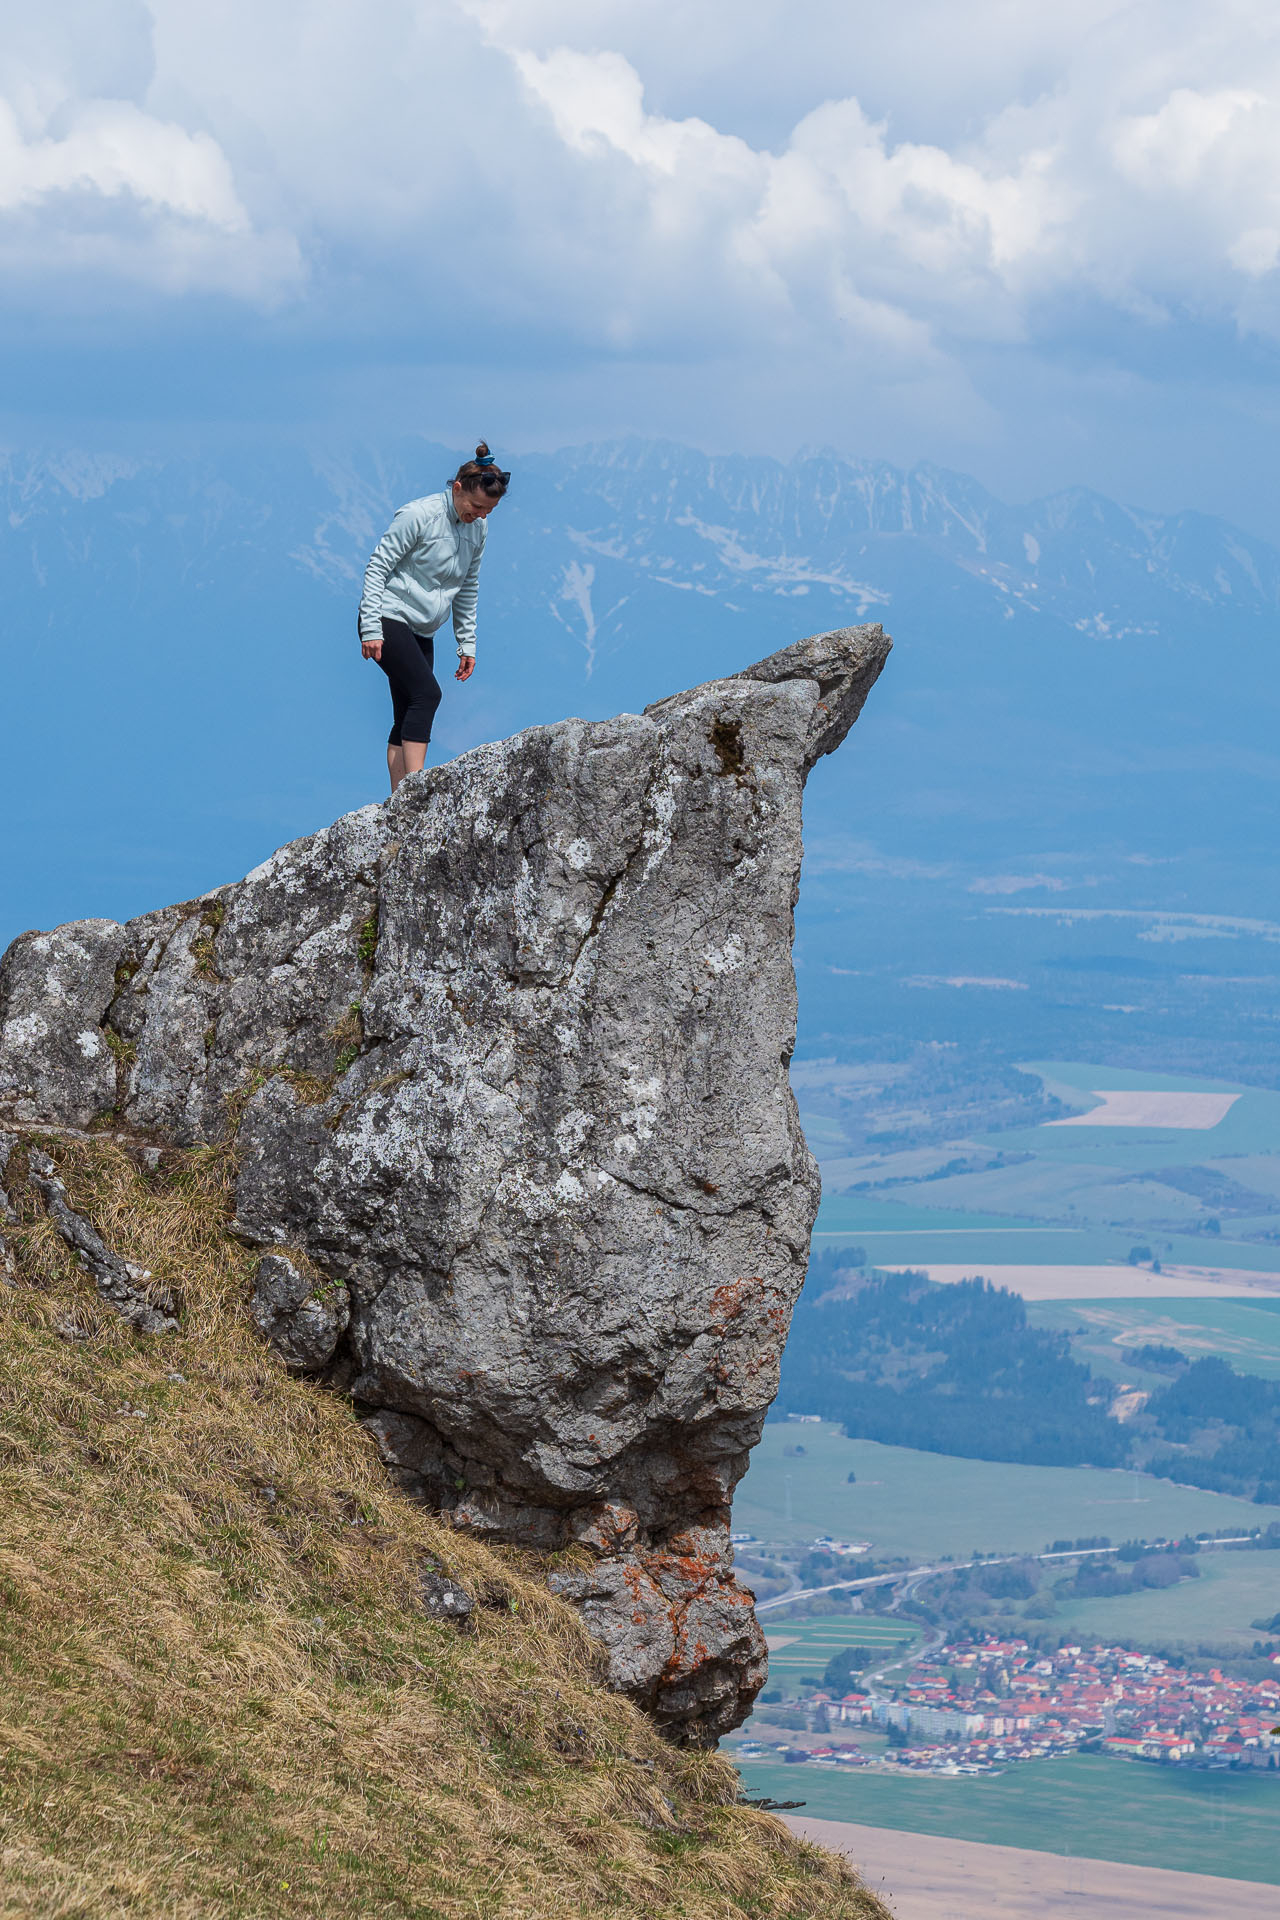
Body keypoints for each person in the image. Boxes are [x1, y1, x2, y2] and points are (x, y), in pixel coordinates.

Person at [358, 442, 510, 792]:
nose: (481, 515)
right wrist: (370, 628)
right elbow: (377, 567)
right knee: (427, 695)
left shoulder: (478, 529)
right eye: (475, 506)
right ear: (457, 488)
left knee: (407, 711)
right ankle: (416, 791)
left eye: (488, 511)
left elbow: (468, 585)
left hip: (422, 628)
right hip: (387, 617)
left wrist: (466, 642)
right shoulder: (419, 515)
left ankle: (397, 802)